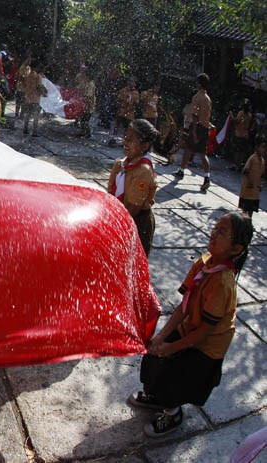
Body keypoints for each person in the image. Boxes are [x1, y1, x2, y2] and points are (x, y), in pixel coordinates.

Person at [128, 212, 254, 437]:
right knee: (153, 356)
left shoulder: (222, 283)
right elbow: (183, 307)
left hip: (205, 346)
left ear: (235, 249)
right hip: (190, 328)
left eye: (222, 232)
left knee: (175, 377)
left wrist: (170, 348)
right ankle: (156, 398)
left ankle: (173, 412)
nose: (214, 233)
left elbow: (205, 332)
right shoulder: (203, 263)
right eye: (216, 228)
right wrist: (161, 337)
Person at [107, 119, 158, 256]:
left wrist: (115, 226)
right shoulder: (122, 164)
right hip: (122, 216)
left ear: (145, 145)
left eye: (131, 140)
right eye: (125, 138)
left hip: (136, 222)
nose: (125, 143)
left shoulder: (143, 171)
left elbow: (134, 208)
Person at [174, 73, 213, 191]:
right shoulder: (208, 98)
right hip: (205, 128)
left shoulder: (197, 97)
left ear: (199, 84)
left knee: (188, 149)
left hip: (197, 127)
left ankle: (181, 170)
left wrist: (194, 132)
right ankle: (207, 177)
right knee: (203, 153)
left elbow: (195, 116)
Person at [238, 136, 265, 218]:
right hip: (248, 188)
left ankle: (249, 223)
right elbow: (245, 170)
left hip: (255, 191)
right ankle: (244, 224)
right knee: (246, 209)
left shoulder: (262, 161)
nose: (263, 149)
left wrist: (260, 185)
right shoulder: (253, 158)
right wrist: (249, 181)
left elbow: (261, 175)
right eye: (262, 147)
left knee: (251, 209)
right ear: (257, 147)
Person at [22, 61, 45, 137]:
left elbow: (25, 85)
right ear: (36, 67)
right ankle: (34, 132)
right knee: (36, 116)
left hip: (28, 97)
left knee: (28, 114)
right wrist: (44, 92)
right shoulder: (38, 76)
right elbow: (39, 87)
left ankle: (25, 129)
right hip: (35, 98)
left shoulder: (28, 75)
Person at [229, 99, 253, 171]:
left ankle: (236, 165)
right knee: (242, 151)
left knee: (237, 150)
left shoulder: (241, 113)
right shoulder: (250, 115)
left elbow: (236, 121)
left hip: (239, 134)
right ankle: (239, 165)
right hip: (245, 135)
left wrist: (231, 115)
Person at [76, 67, 96, 138]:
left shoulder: (91, 84)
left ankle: (87, 133)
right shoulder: (87, 83)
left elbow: (88, 96)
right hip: (85, 104)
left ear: (88, 76)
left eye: (84, 75)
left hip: (88, 105)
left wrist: (83, 98)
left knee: (85, 120)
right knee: (83, 119)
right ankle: (83, 132)